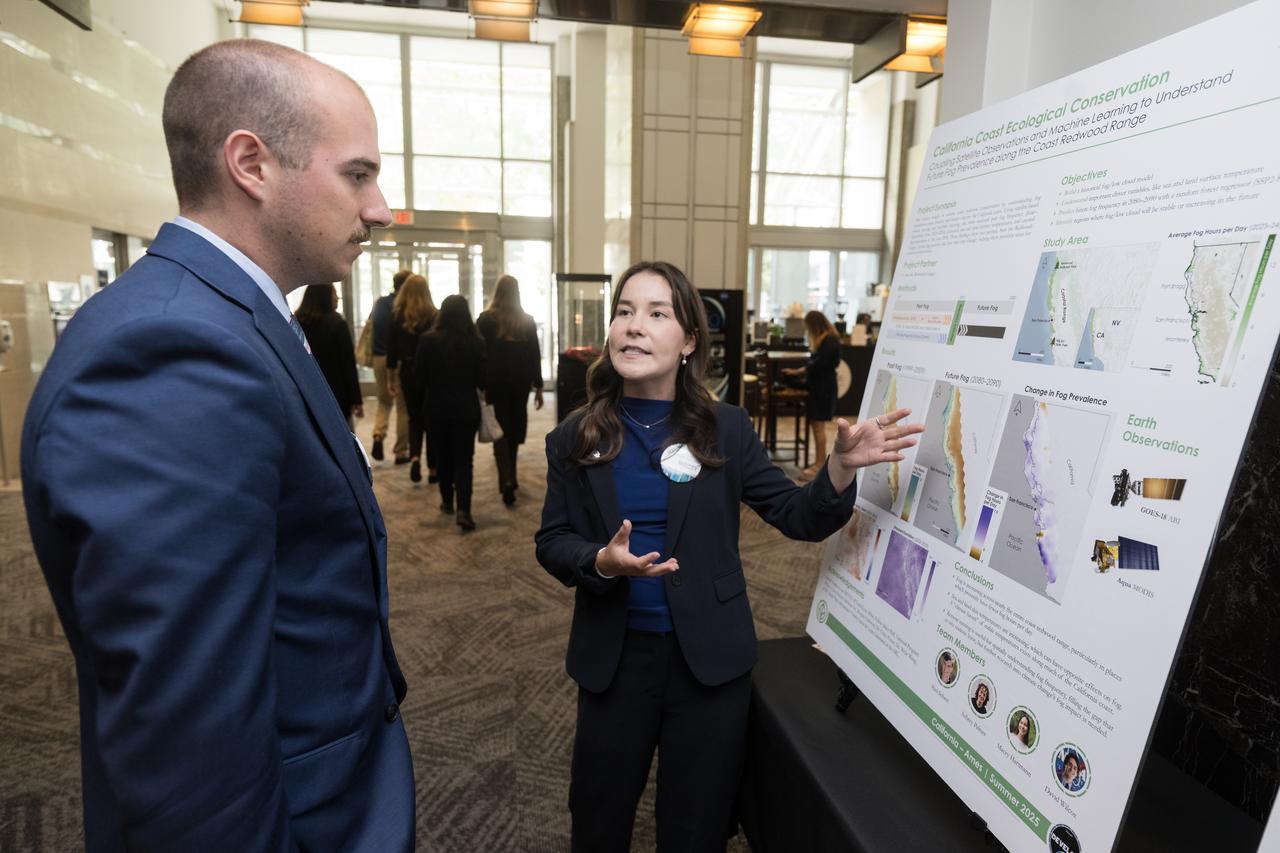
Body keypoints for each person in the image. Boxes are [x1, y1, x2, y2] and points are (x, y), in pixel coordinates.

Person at [20, 39, 414, 851]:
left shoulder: (225, 316)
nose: (379, 208)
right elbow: (188, 742)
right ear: (251, 163)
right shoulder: (173, 348)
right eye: (358, 174)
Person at [535, 260, 922, 852]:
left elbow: (799, 517)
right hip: (615, 661)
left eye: (657, 314)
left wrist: (839, 468)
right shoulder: (576, 437)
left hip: (709, 662)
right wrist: (601, 562)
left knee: (697, 827)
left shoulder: (727, 430)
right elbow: (553, 541)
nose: (634, 326)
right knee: (598, 819)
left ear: (689, 341)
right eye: (625, 311)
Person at [411, 294, 486, 531]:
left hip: (436, 408)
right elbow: (483, 380)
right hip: (466, 408)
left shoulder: (427, 340)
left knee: (443, 456)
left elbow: (418, 379)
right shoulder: (476, 342)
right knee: (465, 460)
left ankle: (446, 501)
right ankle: (464, 509)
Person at [477, 274, 544, 505]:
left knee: (499, 429)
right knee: (515, 428)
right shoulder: (527, 320)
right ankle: (511, 476)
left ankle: (506, 478)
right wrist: (539, 386)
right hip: (520, 382)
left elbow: (480, 353)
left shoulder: (486, 319)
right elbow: (535, 354)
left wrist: (480, 383)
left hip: (495, 381)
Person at [387, 273, 437, 484]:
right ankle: (434, 469)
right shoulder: (434, 315)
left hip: (408, 372)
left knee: (414, 418)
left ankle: (415, 457)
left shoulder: (398, 315)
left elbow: (392, 351)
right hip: (431, 374)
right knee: (432, 420)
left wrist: (391, 378)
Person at [783, 310, 841, 479]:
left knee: (818, 427)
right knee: (817, 427)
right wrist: (799, 371)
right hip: (820, 388)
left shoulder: (829, 341)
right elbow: (814, 363)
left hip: (824, 390)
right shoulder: (827, 339)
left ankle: (819, 465)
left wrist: (798, 372)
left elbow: (818, 364)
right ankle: (819, 462)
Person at [296, 283, 364, 427]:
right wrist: (356, 399)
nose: (337, 298)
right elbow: (348, 365)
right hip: (336, 392)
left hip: (306, 391)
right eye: (334, 294)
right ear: (325, 297)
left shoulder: (297, 322)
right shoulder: (337, 323)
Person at [370, 268, 411, 463]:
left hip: (379, 357)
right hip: (398, 360)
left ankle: (378, 434)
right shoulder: (406, 307)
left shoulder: (380, 303)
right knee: (403, 406)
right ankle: (401, 452)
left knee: (384, 401)